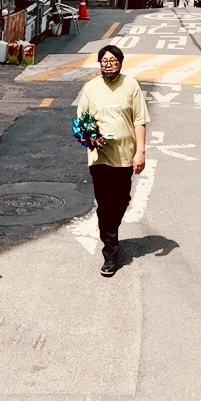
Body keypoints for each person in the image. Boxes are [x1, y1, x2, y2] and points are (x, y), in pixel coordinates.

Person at [75, 45, 148, 276]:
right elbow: (81, 120)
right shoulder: (91, 87)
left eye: (113, 61)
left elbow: (139, 121)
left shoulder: (131, 85)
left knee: (122, 199)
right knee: (105, 202)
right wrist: (91, 138)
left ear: (120, 63)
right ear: (100, 64)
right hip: (99, 156)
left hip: (125, 155)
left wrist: (140, 152)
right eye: (104, 61)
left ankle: (109, 227)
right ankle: (110, 252)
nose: (108, 65)